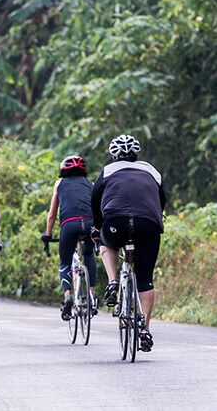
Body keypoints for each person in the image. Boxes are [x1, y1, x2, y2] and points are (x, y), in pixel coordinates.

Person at [91, 134, 166, 352]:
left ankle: (113, 281)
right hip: (148, 224)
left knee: (106, 242)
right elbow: (161, 200)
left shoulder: (107, 171)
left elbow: (95, 202)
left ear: (113, 154)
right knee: (145, 278)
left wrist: (98, 227)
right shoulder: (152, 170)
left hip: (116, 221)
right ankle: (145, 328)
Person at [41, 156, 98, 321]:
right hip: (90, 224)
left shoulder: (59, 184)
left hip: (69, 225)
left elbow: (52, 214)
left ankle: (67, 296)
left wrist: (48, 234)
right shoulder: (91, 184)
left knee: (65, 262)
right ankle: (92, 296)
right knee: (88, 255)